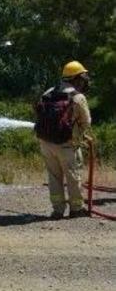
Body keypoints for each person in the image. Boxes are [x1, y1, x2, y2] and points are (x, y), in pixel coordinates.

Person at [35, 61, 93, 219]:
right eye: (82, 78)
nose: (84, 81)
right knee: (73, 176)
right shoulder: (77, 97)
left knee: (54, 176)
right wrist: (80, 135)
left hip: (46, 143)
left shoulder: (48, 93)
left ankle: (57, 210)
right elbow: (86, 121)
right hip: (67, 145)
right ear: (76, 78)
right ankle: (76, 209)